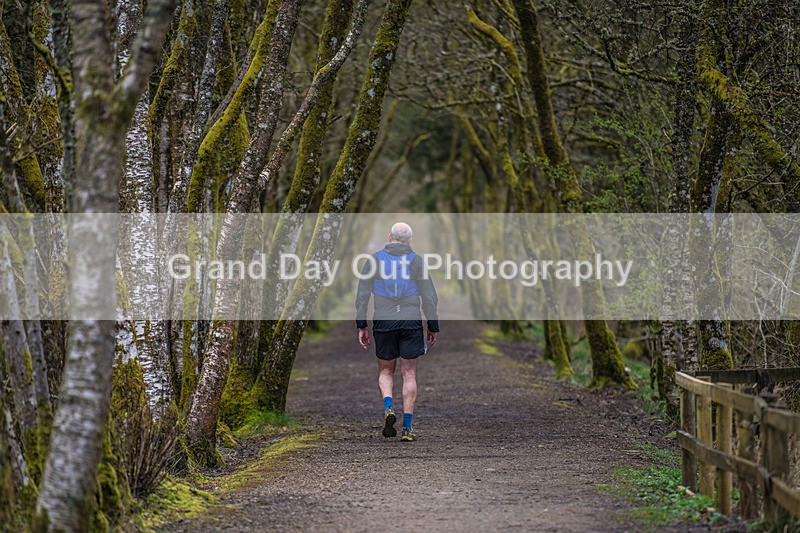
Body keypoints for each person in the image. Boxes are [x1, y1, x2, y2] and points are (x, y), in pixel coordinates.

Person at [355, 222, 439, 441]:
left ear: (389, 237)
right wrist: (433, 325)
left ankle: (388, 406)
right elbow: (429, 296)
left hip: (384, 323)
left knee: (385, 371)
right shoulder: (417, 261)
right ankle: (407, 428)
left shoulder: (374, 260)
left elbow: (363, 295)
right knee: (409, 373)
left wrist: (362, 325)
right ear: (410, 240)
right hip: (410, 321)